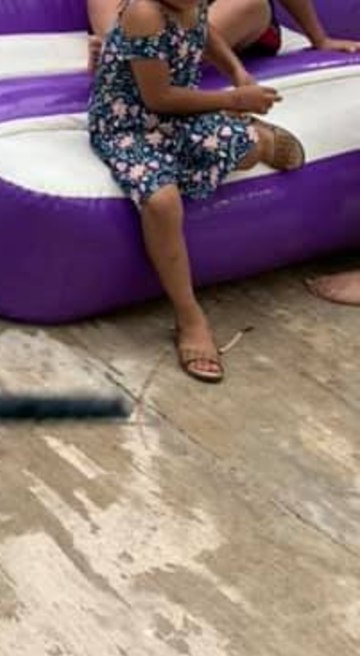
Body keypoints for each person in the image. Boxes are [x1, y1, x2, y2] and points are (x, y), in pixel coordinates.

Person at [88, 0, 305, 382]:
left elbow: (205, 32)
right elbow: (158, 99)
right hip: (129, 127)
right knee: (162, 200)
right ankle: (190, 317)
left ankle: (261, 141)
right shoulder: (145, 12)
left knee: (241, 147)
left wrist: (238, 72)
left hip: (180, 119)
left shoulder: (191, 3)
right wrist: (233, 100)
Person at [88, 0, 360, 69]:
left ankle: (136, 55)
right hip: (150, 20)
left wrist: (319, 39)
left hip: (226, 22)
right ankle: (121, 46)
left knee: (250, 4)